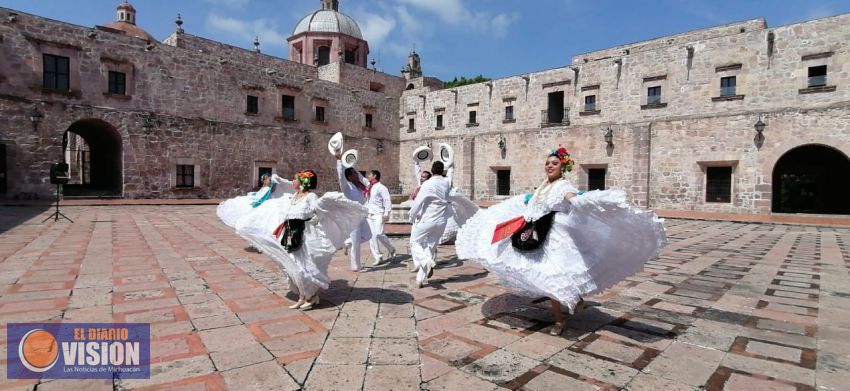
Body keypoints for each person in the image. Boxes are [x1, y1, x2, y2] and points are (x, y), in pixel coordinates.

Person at [456, 147, 667, 335]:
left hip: (556, 238)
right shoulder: (543, 186)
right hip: (537, 235)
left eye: (554, 163)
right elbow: (533, 204)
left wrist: (586, 199)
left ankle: (560, 318)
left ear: (563, 167)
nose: (549, 166)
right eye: (547, 163)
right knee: (548, 280)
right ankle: (569, 308)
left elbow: (572, 198)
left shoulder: (563, 186)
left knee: (554, 279)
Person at [237, 170, 368, 310]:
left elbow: (318, 214)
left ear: (303, 181)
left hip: (304, 237)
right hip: (290, 235)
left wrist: (309, 222)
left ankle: (310, 296)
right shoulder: (294, 196)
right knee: (292, 265)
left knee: (303, 267)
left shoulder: (311, 196)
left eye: (295, 179)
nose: (292, 182)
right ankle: (303, 296)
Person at [217, 173, 289, 251]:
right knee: (251, 225)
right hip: (258, 207)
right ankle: (254, 243)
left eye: (269, 179)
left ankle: (260, 244)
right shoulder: (263, 188)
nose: (269, 180)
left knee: (257, 226)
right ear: (264, 181)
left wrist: (255, 204)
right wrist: (253, 196)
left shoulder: (269, 189)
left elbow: (263, 198)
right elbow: (259, 195)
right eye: (267, 179)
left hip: (262, 209)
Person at [409, 161, 452, 287]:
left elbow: (417, 202)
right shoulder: (446, 182)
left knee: (414, 242)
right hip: (442, 221)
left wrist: (411, 216)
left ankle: (426, 261)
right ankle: (420, 280)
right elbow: (451, 172)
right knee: (430, 247)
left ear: (432, 171)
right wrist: (450, 163)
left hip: (428, 219)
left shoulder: (428, 184)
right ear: (441, 170)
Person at [334, 150, 372, 271]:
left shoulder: (359, 185)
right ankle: (356, 266)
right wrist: (339, 161)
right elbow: (341, 177)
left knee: (368, 235)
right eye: (354, 173)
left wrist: (351, 162)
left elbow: (365, 180)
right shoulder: (347, 188)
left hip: (361, 215)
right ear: (349, 176)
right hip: (352, 217)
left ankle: (348, 243)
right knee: (356, 242)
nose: (357, 174)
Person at [365, 169, 396, 266]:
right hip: (369, 214)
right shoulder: (368, 187)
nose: (368, 176)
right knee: (372, 236)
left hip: (379, 213)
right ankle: (378, 257)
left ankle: (391, 249)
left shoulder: (381, 187)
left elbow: (387, 200)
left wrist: (387, 213)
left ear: (374, 176)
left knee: (379, 233)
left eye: (370, 174)